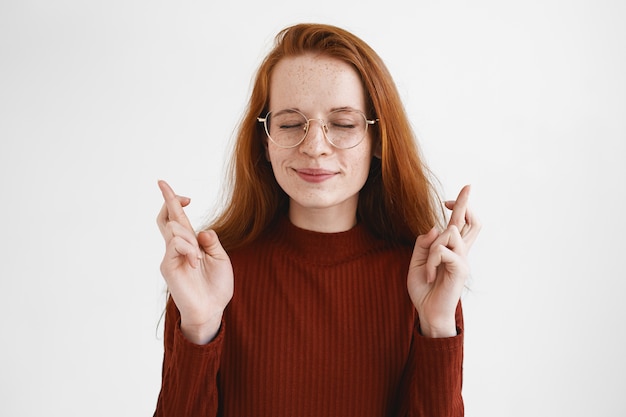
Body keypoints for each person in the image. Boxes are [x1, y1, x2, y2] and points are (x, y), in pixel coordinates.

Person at [154, 23, 480, 417]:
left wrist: (437, 326)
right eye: (290, 124)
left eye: (343, 124)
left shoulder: (422, 280)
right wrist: (200, 327)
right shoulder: (210, 276)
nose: (314, 147)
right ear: (265, 139)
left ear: (378, 139)